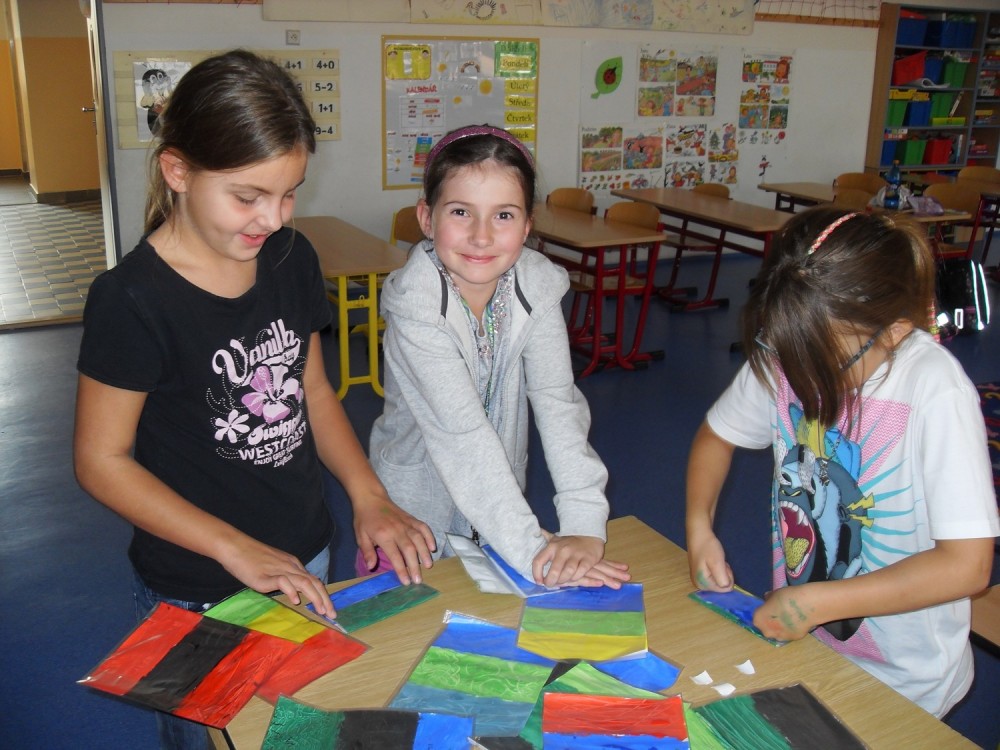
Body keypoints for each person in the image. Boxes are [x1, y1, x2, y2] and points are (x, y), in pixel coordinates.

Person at [73, 49, 435, 749]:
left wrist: (368, 495)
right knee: (211, 739)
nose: (271, 217)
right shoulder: (132, 300)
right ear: (177, 171)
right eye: (248, 196)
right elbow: (100, 461)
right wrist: (236, 549)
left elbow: (313, 390)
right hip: (198, 581)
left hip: (304, 556)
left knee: (293, 731)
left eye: (289, 193)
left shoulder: (291, 259)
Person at [685, 205, 999, 718]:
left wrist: (820, 603)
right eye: (787, 355)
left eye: (822, 363)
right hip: (814, 649)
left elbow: (968, 566)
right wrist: (699, 528)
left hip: (907, 680)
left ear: (894, 330)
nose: (800, 377)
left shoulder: (935, 391)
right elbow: (716, 438)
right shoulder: (793, 348)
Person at [368, 124, 630, 589]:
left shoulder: (538, 287)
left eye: (504, 215)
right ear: (427, 218)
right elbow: (462, 437)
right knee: (412, 623)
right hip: (413, 519)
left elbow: (557, 402)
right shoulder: (416, 307)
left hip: (498, 509)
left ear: (528, 225)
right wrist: (535, 553)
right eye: (461, 212)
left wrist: (583, 525)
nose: (481, 236)